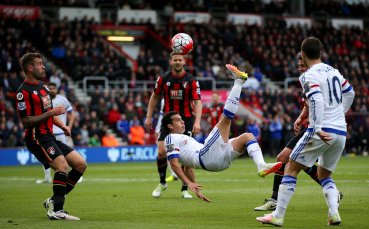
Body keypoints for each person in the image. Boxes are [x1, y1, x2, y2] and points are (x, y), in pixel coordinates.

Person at [256, 37, 355, 226]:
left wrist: (317, 127)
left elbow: (316, 100)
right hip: (340, 131)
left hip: (321, 129)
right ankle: (334, 215)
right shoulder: (333, 71)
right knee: (324, 175)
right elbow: (350, 92)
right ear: (320, 52)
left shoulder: (308, 75)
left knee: (290, 167)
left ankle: (277, 215)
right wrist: (339, 114)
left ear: (303, 54)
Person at [162, 64, 282, 202]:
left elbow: (187, 167)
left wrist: (195, 188)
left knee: (248, 137)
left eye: (181, 119)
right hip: (206, 157)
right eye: (178, 120)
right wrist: (188, 183)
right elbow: (174, 164)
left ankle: (261, 165)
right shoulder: (170, 138)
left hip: (219, 161)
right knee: (225, 120)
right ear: (170, 126)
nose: (182, 121)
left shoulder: (183, 138)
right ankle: (239, 82)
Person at [15, 53, 87, 220]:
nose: (43, 66)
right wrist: (53, 112)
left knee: (80, 164)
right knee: (62, 167)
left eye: (43, 63)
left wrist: (62, 125)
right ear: (30, 68)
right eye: (39, 64)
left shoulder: (43, 87)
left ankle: (54, 201)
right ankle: (57, 210)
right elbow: (26, 121)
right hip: (36, 137)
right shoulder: (23, 92)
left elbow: (48, 113)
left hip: (50, 136)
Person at [145, 52, 202, 199]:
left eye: (180, 60)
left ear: (184, 61)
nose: (177, 62)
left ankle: (185, 189)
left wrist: (197, 121)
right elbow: (154, 97)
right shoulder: (163, 79)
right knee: (161, 152)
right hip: (168, 120)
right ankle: (162, 182)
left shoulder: (191, 80)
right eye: (175, 60)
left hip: (186, 121)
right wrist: (149, 117)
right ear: (171, 62)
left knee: (185, 158)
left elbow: (197, 102)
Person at [35, 82, 77, 184]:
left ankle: (74, 175)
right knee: (46, 156)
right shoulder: (44, 99)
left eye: (54, 88)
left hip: (60, 133)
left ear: (57, 90)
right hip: (47, 134)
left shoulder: (62, 99)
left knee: (65, 156)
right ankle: (47, 177)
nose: (52, 90)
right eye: (50, 88)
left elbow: (72, 114)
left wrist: (68, 127)